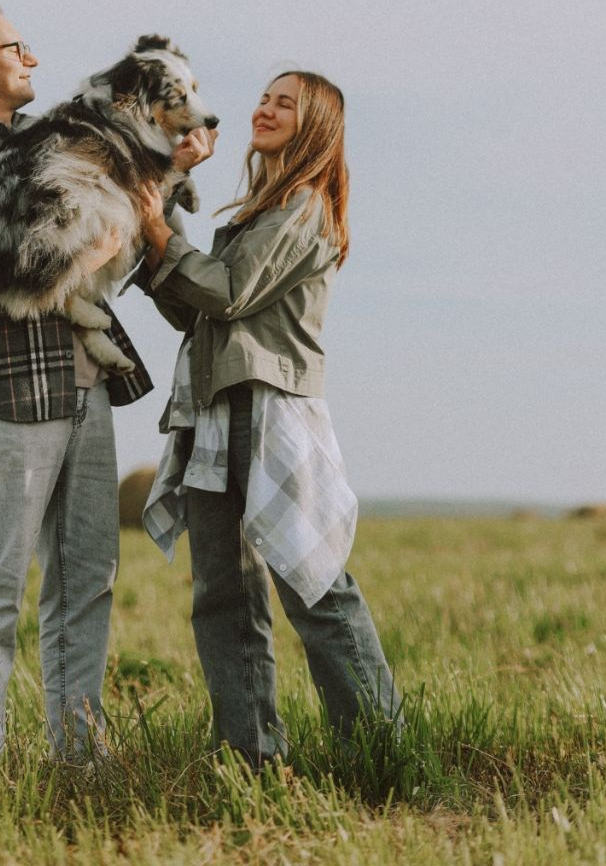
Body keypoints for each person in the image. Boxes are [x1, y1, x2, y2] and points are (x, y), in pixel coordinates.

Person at [0, 0, 211, 758]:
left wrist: (162, 182)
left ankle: (79, 753)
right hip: (7, 394)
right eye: (16, 47)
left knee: (88, 580)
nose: (32, 59)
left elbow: (109, 264)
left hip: (82, 388)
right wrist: (98, 249)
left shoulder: (54, 149)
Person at [137, 70, 400, 768]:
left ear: (314, 124)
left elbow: (222, 292)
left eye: (285, 102)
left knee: (313, 586)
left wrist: (159, 230)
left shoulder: (305, 208)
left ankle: (378, 752)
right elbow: (196, 311)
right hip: (213, 408)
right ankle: (249, 758)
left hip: (268, 410)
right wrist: (153, 225)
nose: (264, 108)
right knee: (221, 595)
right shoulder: (254, 212)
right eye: (263, 97)